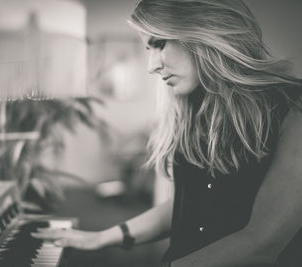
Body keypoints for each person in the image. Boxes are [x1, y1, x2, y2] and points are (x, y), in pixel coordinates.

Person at [32, 0, 302, 266]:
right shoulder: (192, 108)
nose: (151, 65)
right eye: (148, 48)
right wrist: (99, 238)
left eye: (159, 43)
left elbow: (262, 244)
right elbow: (184, 208)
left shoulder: (293, 108)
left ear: (204, 32)